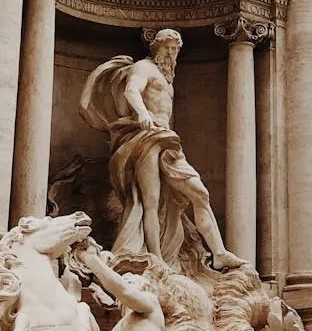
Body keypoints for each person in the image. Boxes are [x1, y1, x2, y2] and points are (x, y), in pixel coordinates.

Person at [80, 29, 245, 271]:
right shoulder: (143, 68)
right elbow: (131, 90)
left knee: (200, 193)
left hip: (167, 140)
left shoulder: (166, 77)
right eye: (168, 47)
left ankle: (218, 253)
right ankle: (156, 260)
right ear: (156, 47)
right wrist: (143, 114)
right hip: (145, 136)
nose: (171, 53)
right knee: (151, 201)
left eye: (175, 49)